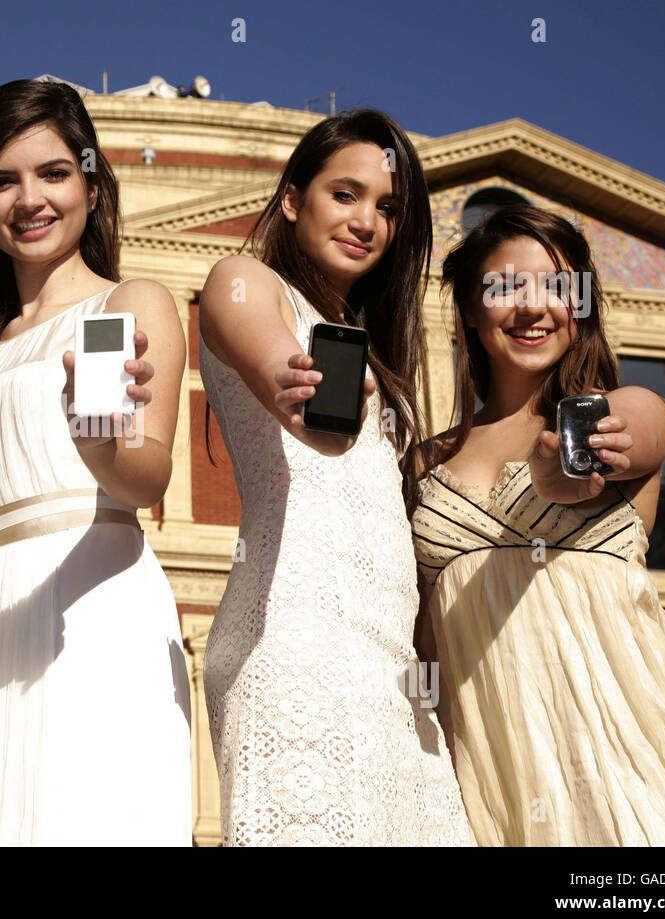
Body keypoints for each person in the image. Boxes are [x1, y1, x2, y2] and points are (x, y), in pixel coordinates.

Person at [0, 78, 192, 845]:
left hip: (94, 606)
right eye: (1, 181)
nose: (28, 198)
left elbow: (147, 475)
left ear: (92, 185)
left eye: (54, 173)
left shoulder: (130, 302)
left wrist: (97, 435)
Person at [413, 204, 665, 845]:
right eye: (507, 287)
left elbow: (629, 438)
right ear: (472, 312)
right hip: (487, 771)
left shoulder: (634, 406)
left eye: (559, 288)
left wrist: (562, 475)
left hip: (626, 761)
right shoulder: (423, 461)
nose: (534, 307)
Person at [198, 108, 473, 845]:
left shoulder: (371, 349)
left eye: (387, 208)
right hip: (294, 644)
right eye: (344, 195)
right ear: (292, 200)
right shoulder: (245, 281)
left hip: (392, 665)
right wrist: (292, 382)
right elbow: (269, 352)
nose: (368, 221)